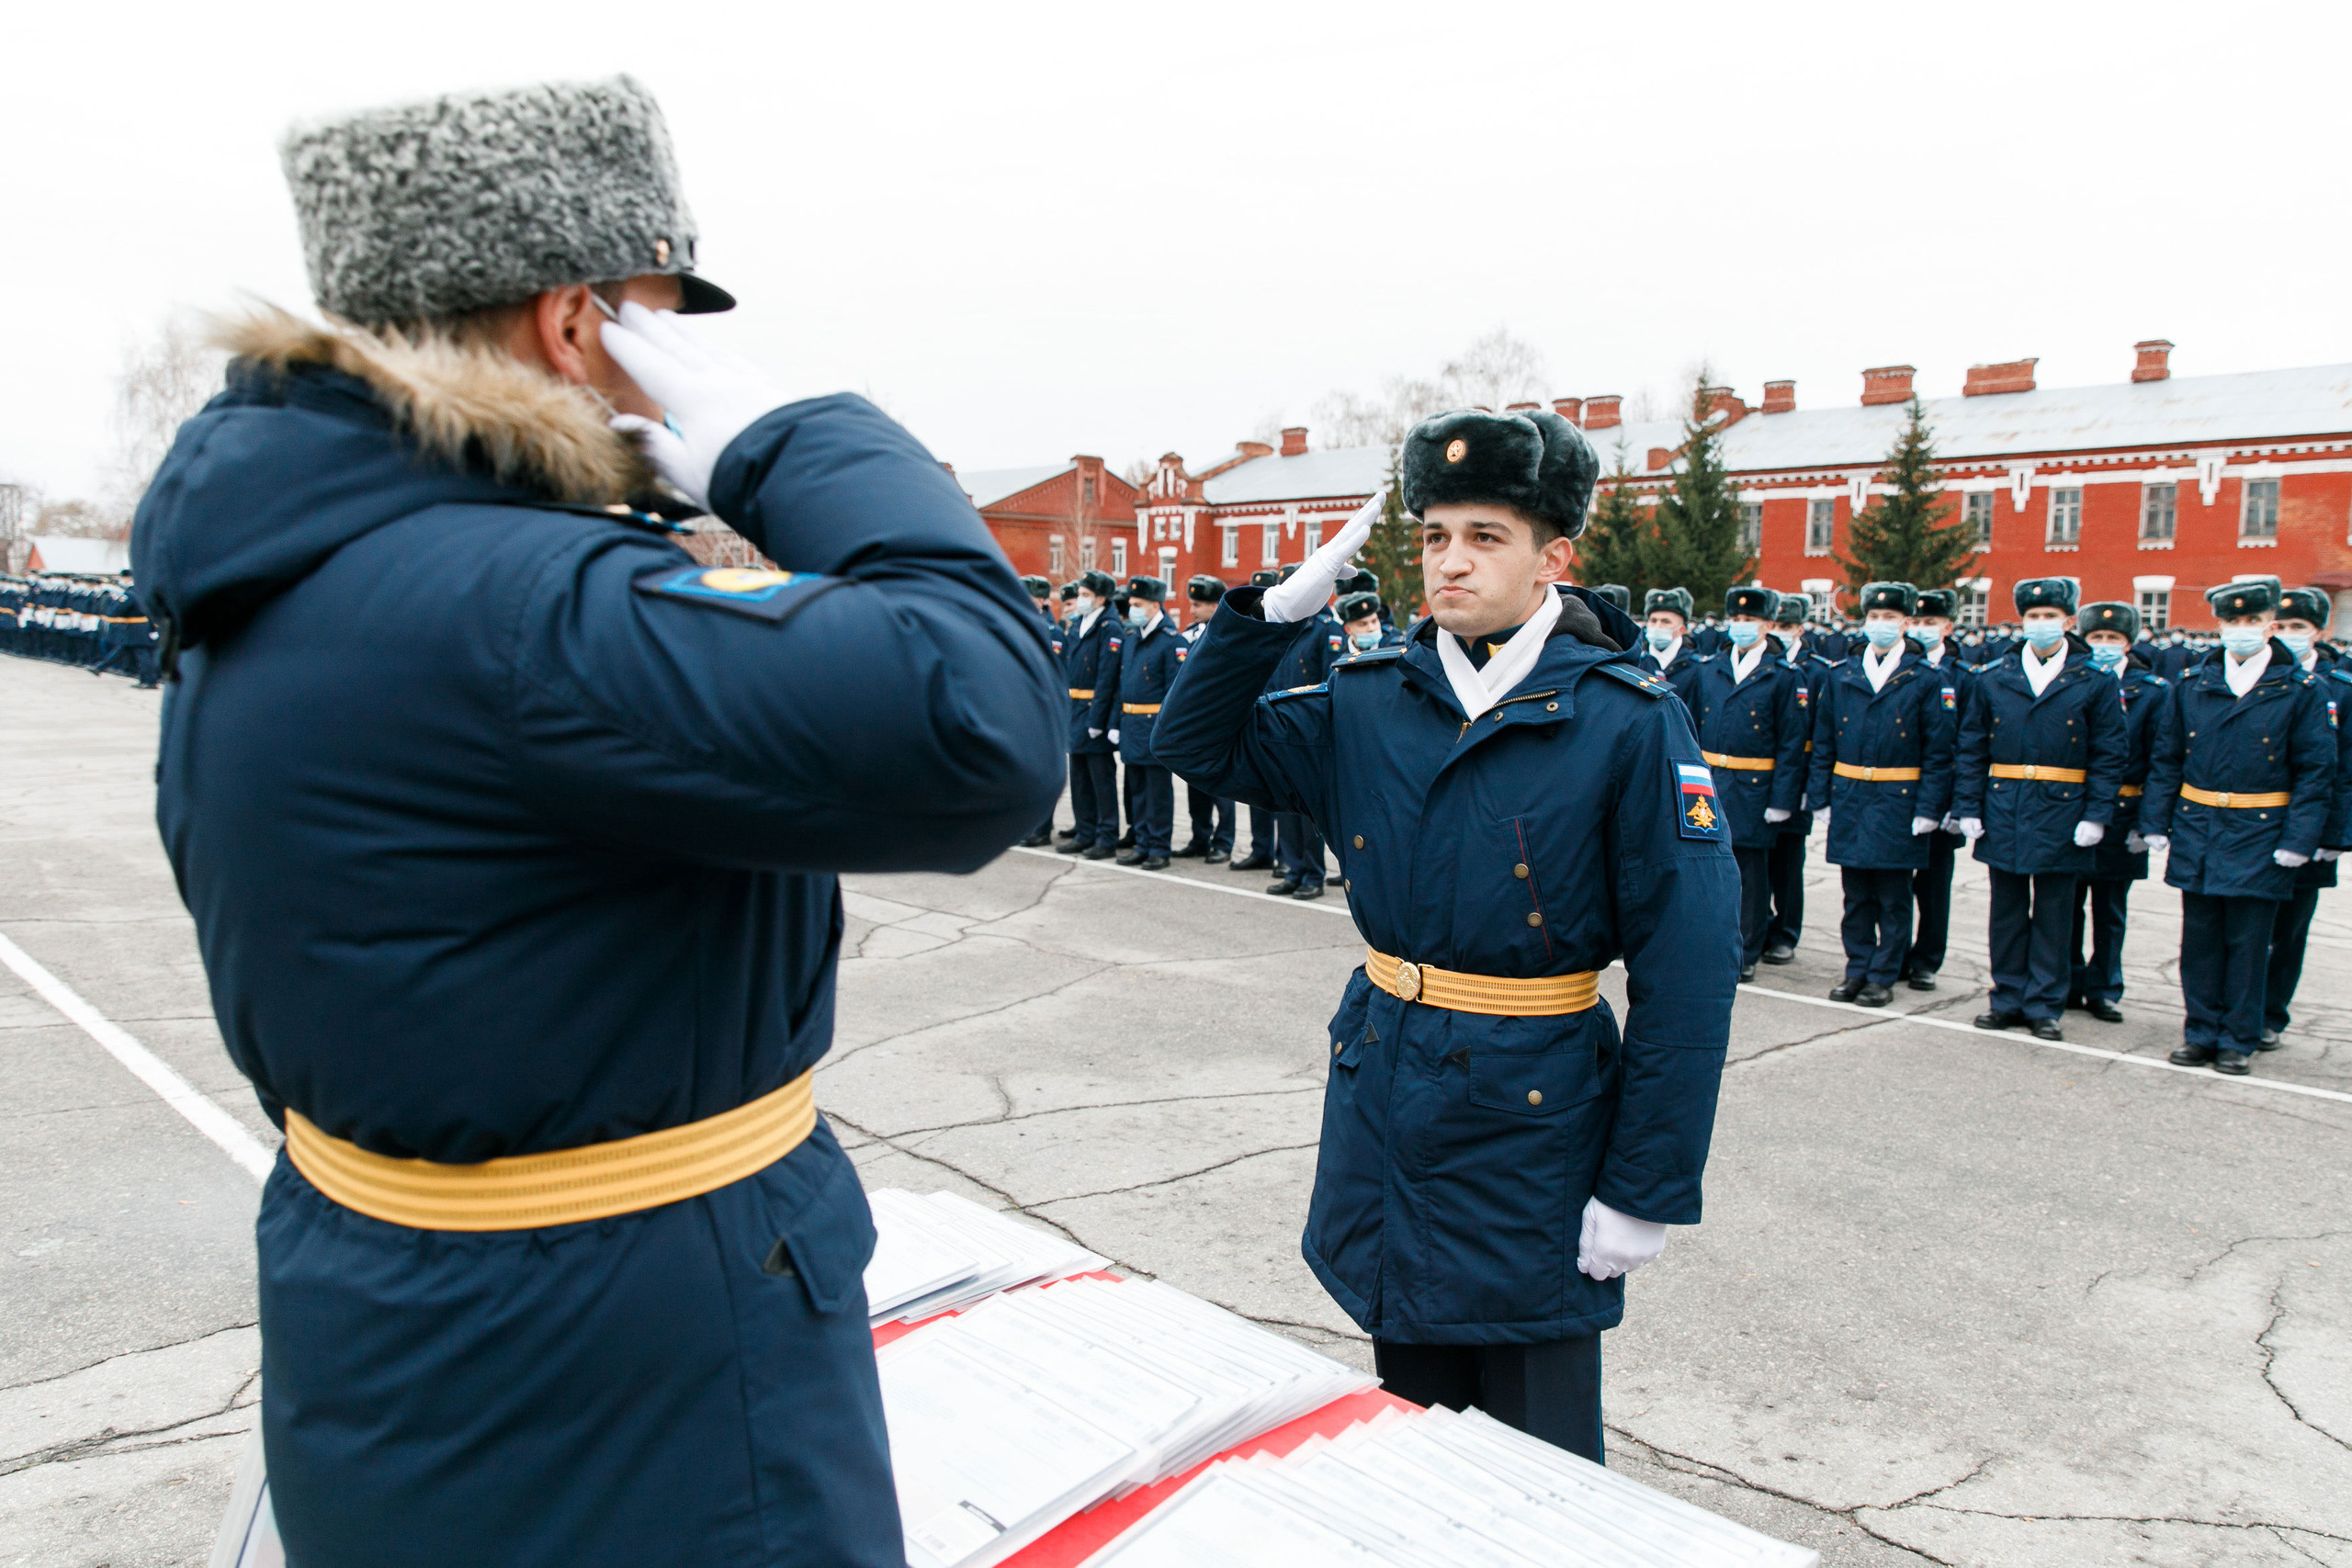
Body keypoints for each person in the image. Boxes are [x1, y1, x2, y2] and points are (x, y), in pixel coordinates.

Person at [130, 75, 1061, 1567]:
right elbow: (986, 724)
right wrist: (797, 441)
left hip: (396, 1321)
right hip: (647, 1394)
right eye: (655, 319)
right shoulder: (518, 605)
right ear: (577, 327)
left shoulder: (268, 578)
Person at [1156, 405, 1736, 1465]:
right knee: (1408, 1423)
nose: (1450, 563)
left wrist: (1644, 1185)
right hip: (1389, 1082)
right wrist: (1271, 614)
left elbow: (1688, 975)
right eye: (1432, 537)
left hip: (1535, 1113)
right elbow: (1195, 745)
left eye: (1484, 537)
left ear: (1552, 556)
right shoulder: (1373, 700)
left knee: (1535, 1446)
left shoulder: (1626, 719)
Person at [2142, 581, 2335, 1075]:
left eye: (2253, 623)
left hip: (2262, 829)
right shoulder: (2192, 684)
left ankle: (2238, 1038)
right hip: (2200, 824)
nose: (2242, 631)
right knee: (2200, 938)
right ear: (2220, 626)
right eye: (2233, 623)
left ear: (2270, 626)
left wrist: (2300, 839)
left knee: (2249, 942)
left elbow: (2316, 771)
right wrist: (2156, 820)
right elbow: (2166, 759)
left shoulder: (2300, 690)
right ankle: (2201, 1032)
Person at [1952, 578, 2126, 1042]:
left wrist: (2096, 815)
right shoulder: (1992, 678)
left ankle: (2045, 1003)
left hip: (2062, 811)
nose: (2040, 624)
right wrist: (1969, 805)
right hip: (2005, 804)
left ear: (2070, 622)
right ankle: (2006, 997)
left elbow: (2109, 754)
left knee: (2054, 914)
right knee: (2006, 911)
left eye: (2050, 616)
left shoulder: (2094, 681)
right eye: (2032, 616)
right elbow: (1971, 747)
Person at [1806, 581, 1957, 1006]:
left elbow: (1939, 751)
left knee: (1893, 898)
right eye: (1873, 616)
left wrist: (1930, 807)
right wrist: (1821, 797)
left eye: (1890, 618)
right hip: (1851, 794)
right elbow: (1824, 742)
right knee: (1856, 896)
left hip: (1899, 798)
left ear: (1906, 623)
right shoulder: (1843, 674)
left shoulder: (1927, 678)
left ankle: (1883, 975)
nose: (1880, 624)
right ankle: (1856, 969)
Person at [1681, 586, 1808, 981]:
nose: (1740, 626)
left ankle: (1747, 949)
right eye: (1735, 619)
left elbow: (1792, 742)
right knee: (1707, 869)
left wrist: (1783, 798)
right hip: (1712, 782)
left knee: (1750, 876)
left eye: (1749, 619)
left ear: (1768, 624)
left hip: (1756, 786)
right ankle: (1709, 943)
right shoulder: (1710, 668)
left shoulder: (1785, 675)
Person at [2066, 601, 2169, 1022]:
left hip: (2125, 812)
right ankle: (2067, 981)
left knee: (2110, 910)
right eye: (2097, 638)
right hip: (2074, 810)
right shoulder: (2073, 682)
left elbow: (2161, 758)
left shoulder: (2153, 691)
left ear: (2129, 643)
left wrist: (2148, 823)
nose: (2105, 645)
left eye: (2115, 639)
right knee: (2066, 907)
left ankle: (2105, 987)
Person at [2259, 587, 2352, 1047]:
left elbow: (2346, 770)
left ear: (2319, 632)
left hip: (2313, 829)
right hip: (2257, 823)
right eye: (2284, 626)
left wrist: (2334, 834)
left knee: (2290, 930)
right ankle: (2239, 1009)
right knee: (2250, 926)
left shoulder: (2340, 689)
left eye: (2301, 627)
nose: (2290, 635)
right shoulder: (2261, 677)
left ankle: (2270, 1015)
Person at [1900, 589, 1969, 989]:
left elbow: (1967, 744)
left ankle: (1926, 958)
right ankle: (1894, 954)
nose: (1924, 629)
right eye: (1919, 622)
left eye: (1932, 623)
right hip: (1900, 794)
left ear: (1948, 627)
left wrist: (1957, 805)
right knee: (1892, 885)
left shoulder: (1963, 675)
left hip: (1942, 799)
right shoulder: (1903, 667)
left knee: (1934, 885)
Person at [1265, 564, 1345, 900]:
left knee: (1308, 809)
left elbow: (1333, 681)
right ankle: (1293, 867)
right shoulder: (1282, 626)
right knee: (1284, 805)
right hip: (1278, 726)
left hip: (1310, 731)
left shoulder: (1326, 629)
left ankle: (1313, 872)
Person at [1759, 592, 1828, 964]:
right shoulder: (1766, 661)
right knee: (1757, 863)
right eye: (1778, 625)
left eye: (1788, 627)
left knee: (1788, 863)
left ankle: (1785, 932)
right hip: (1758, 779)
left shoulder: (1816, 670)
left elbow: (1820, 733)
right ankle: (1760, 924)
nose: (1782, 633)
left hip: (1796, 776)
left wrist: (1809, 789)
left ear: (1800, 628)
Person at [1110, 575, 1182, 870]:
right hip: (1131, 725)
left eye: (1138, 604)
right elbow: (1121, 684)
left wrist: (1169, 732)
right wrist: (1116, 722)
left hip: (1154, 726)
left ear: (1154, 606)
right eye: (1131, 603)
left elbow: (1174, 693)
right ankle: (1141, 841)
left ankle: (1159, 847)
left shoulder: (1170, 642)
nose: (1132, 609)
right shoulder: (1132, 638)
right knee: (1136, 790)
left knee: (1157, 792)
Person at [1059, 569, 1125, 859]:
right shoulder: (1079, 624)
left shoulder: (1109, 627)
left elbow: (1106, 678)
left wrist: (1098, 720)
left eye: (1086, 595)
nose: (1080, 600)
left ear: (1100, 598)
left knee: (1101, 780)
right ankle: (1084, 832)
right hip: (1075, 709)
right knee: (1080, 778)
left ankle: (1106, 836)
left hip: (1094, 711)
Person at [1174, 575, 1236, 862]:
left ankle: (1223, 842)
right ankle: (1200, 837)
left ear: (1215, 606)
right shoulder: (1189, 635)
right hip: (1195, 721)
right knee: (1195, 783)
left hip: (1222, 719)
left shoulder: (1231, 633)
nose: (1192, 610)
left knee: (1222, 786)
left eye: (1198, 605)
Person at [1019, 575, 1063, 847]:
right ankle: (1026, 825)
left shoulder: (1052, 632)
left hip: (1043, 712)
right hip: (1022, 710)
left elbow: (1053, 677)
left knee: (1042, 774)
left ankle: (1042, 828)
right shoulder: (1018, 626)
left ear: (1043, 600)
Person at [1638, 586, 1703, 698]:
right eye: (1653, 621)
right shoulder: (1636, 660)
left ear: (1681, 630)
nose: (1657, 626)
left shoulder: (1697, 668)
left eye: (1666, 622)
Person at [1337, 589, 1402, 653]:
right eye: (1363, 624)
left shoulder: (1396, 647)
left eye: (1374, 621)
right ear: (1348, 629)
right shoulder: (1337, 654)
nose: (1371, 628)